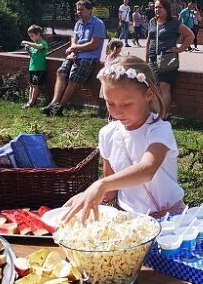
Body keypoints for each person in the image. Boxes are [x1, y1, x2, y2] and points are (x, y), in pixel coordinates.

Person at [61, 56, 185, 223]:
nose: (117, 112)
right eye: (110, 103)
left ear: (148, 94)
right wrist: (88, 197)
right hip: (130, 222)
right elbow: (112, 190)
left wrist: (101, 184)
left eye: (126, 104)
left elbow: (147, 169)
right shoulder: (107, 134)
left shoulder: (159, 130)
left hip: (170, 220)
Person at [42, 0, 105, 117]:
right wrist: (73, 49)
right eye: (77, 9)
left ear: (90, 10)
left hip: (89, 56)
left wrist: (75, 47)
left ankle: (60, 107)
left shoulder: (98, 24)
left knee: (73, 79)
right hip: (75, 54)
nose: (78, 12)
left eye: (81, 9)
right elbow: (74, 39)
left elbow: (94, 44)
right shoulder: (78, 23)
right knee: (61, 72)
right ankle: (54, 103)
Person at [145, 0, 194, 117]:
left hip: (167, 59)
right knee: (154, 87)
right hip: (153, 59)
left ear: (166, 8)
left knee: (164, 86)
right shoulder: (152, 21)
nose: (157, 10)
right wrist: (146, 58)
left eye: (160, 7)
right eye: (155, 7)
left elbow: (190, 35)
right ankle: (154, 113)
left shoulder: (174, 23)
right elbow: (148, 40)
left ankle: (162, 115)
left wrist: (180, 49)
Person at [21, 25, 50, 108]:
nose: (31, 38)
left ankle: (32, 103)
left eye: (32, 36)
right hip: (32, 67)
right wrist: (28, 50)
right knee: (31, 85)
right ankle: (30, 102)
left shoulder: (43, 42)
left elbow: (39, 47)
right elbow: (32, 55)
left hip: (39, 68)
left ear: (38, 34)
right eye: (29, 36)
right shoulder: (34, 45)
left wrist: (27, 42)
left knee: (35, 85)